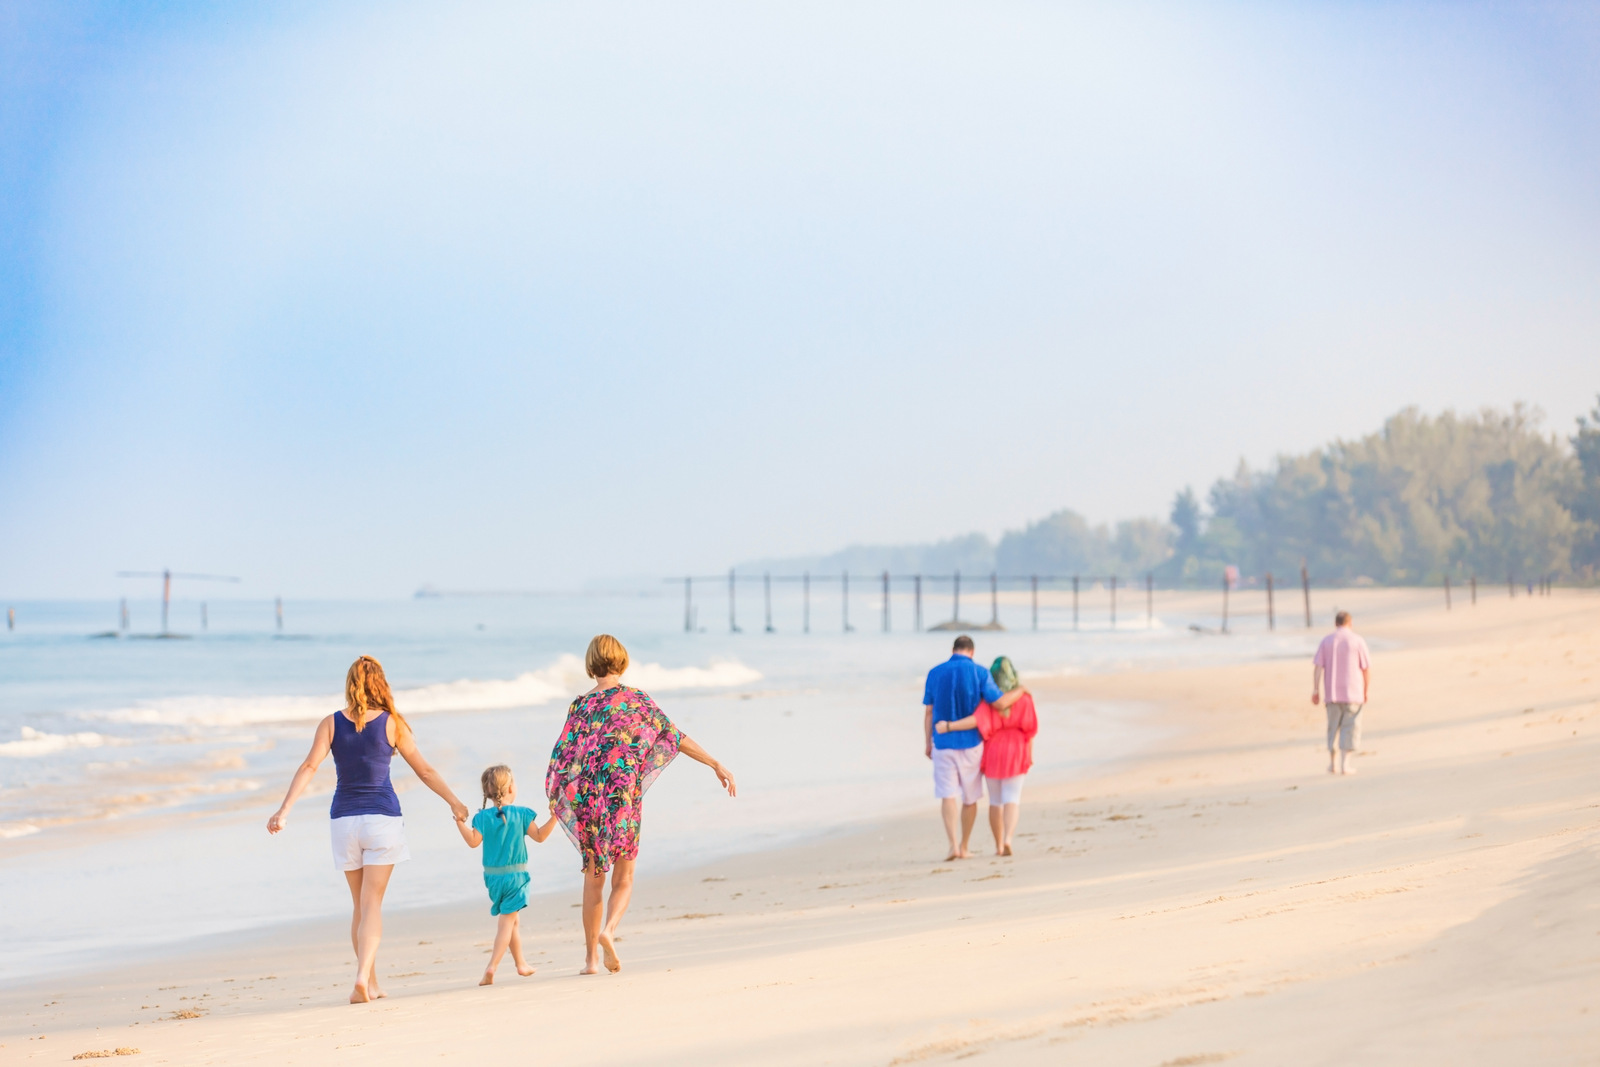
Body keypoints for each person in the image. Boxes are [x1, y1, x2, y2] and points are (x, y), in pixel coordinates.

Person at [267, 655, 470, 1003]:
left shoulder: (330, 723)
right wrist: (454, 801)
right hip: (381, 821)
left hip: (344, 822)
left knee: (360, 907)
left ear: (350, 684)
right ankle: (362, 978)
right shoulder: (393, 724)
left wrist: (283, 810)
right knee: (372, 903)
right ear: (381, 684)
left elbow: (309, 766)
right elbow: (424, 771)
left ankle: (371, 984)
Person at [546, 634, 736, 975]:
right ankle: (609, 930)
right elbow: (673, 736)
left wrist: (559, 797)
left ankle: (590, 961)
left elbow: (563, 758)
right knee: (625, 875)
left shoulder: (580, 706)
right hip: (623, 796)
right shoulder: (636, 699)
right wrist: (714, 763)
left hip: (590, 799)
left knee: (593, 878)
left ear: (591, 665)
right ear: (621, 661)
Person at [923, 635, 1029, 860]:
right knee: (970, 798)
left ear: (953, 649)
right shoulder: (980, 672)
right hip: (971, 743)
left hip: (942, 743)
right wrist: (1021, 690)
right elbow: (999, 703)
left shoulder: (934, 672)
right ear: (972, 652)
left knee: (948, 795)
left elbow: (929, 712)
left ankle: (953, 845)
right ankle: (965, 845)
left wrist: (927, 742)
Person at [455, 764, 558, 985]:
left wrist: (459, 823)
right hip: (516, 878)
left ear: (488, 792)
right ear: (511, 788)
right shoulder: (522, 814)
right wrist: (555, 818)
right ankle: (491, 967)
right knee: (506, 924)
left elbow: (473, 842)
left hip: (492, 880)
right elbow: (540, 836)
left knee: (513, 921)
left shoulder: (482, 818)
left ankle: (521, 964)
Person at [1312, 611, 1371, 775]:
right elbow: (1366, 669)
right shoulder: (1357, 640)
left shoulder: (1327, 641)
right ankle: (1345, 764)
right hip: (1354, 693)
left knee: (1333, 727)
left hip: (1332, 693)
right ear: (1350, 623)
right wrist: (1366, 690)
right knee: (1350, 727)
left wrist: (1315, 689)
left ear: (1335, 623)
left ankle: (1333, 764)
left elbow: (1318, 668)